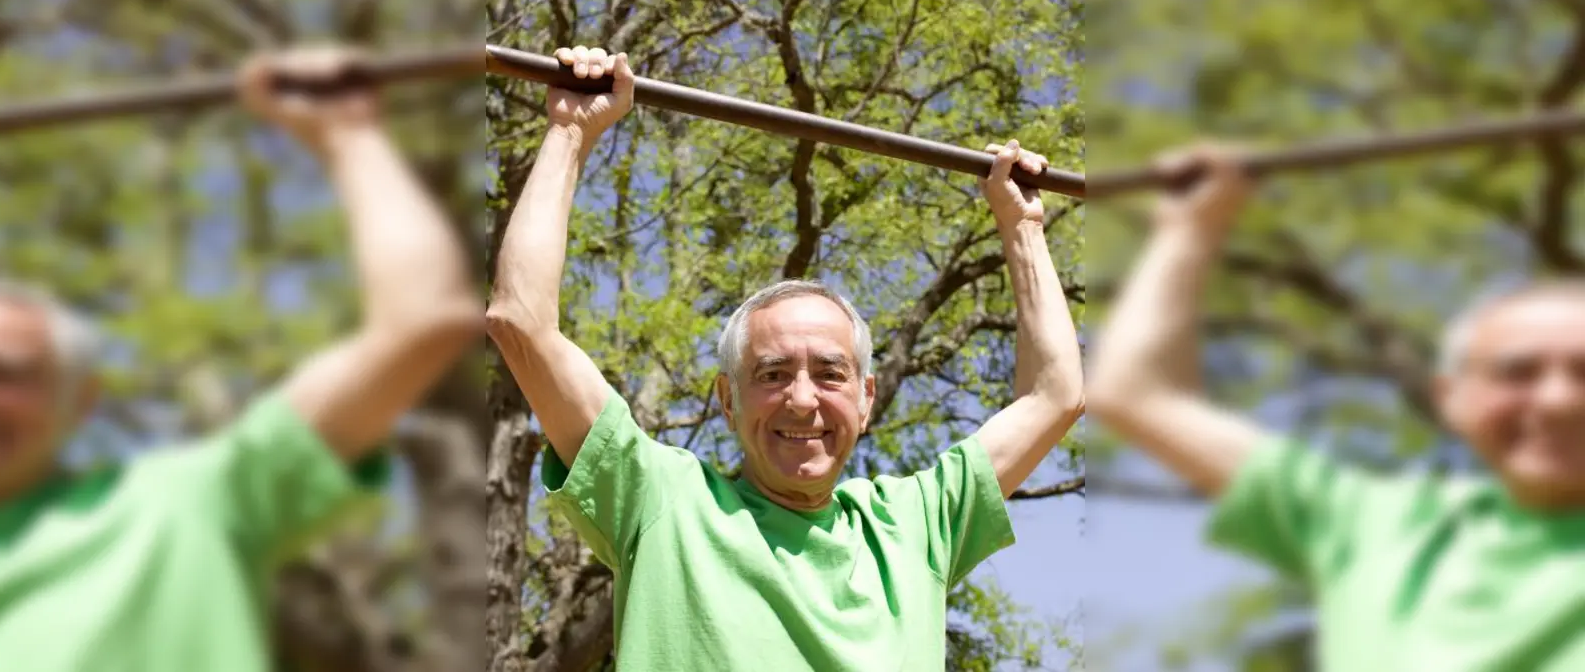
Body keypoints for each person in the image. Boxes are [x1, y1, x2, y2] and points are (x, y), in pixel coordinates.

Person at [486, 45, 1084, 670]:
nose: (803, 399)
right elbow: (520, 320)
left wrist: (1022, 229)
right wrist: (570, 131)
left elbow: (1055, 396)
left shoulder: (916, 527)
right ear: (728, 399)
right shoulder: (660, 500)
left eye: (830, 373)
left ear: (866, 395)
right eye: (772, 374)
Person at [0, 46, 485, 671]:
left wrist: (346, 133)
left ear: (80, 400)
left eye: (3, 373)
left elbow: (422, 319)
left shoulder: (183, 505)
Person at [1087, 144, 1585, 672]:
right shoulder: (1371, 524)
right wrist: (1190, 229)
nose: (1558, 401)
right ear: (1449, 397)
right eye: (1517, 373)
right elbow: (1133, 392)